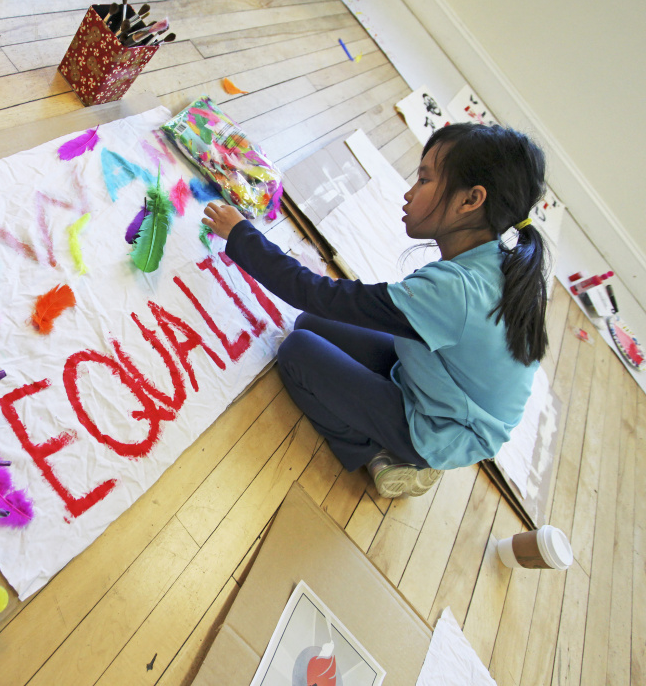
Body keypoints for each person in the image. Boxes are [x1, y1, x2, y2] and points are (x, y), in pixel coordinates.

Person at [202, 123, 549, 498]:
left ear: (470, 200)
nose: (409, 193)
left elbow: (315, 293)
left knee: (297, 352)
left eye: (424, 180)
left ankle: (380, 453)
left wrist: (241, 235)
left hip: (444, 428)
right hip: (437, 381)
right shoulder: (487, 259)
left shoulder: (453, 294)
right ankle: (387, 424)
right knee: (311, 325)